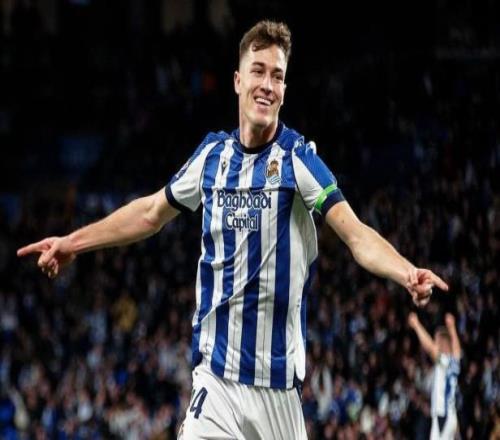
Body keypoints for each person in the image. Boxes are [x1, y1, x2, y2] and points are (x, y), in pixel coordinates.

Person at [17, 20, 449, 440]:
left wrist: (405, 271)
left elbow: (356, 234)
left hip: (277, 392)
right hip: (216, 380)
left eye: (277, 76)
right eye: (258, 71)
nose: (267, 84)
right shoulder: (212, 157)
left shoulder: (298, 160)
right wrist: (73, 243)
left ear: (284, 90)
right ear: (238, 81)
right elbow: (149, 213)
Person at [408, 313, 461, 440]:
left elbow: (429, 347)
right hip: (448, 416)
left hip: (443, 415)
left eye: (436, 341)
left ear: (443, 344)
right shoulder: (454, 362)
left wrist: (416, 325)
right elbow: (457, 350)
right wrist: (452, 328)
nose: (435, 344)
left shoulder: (444, 361)